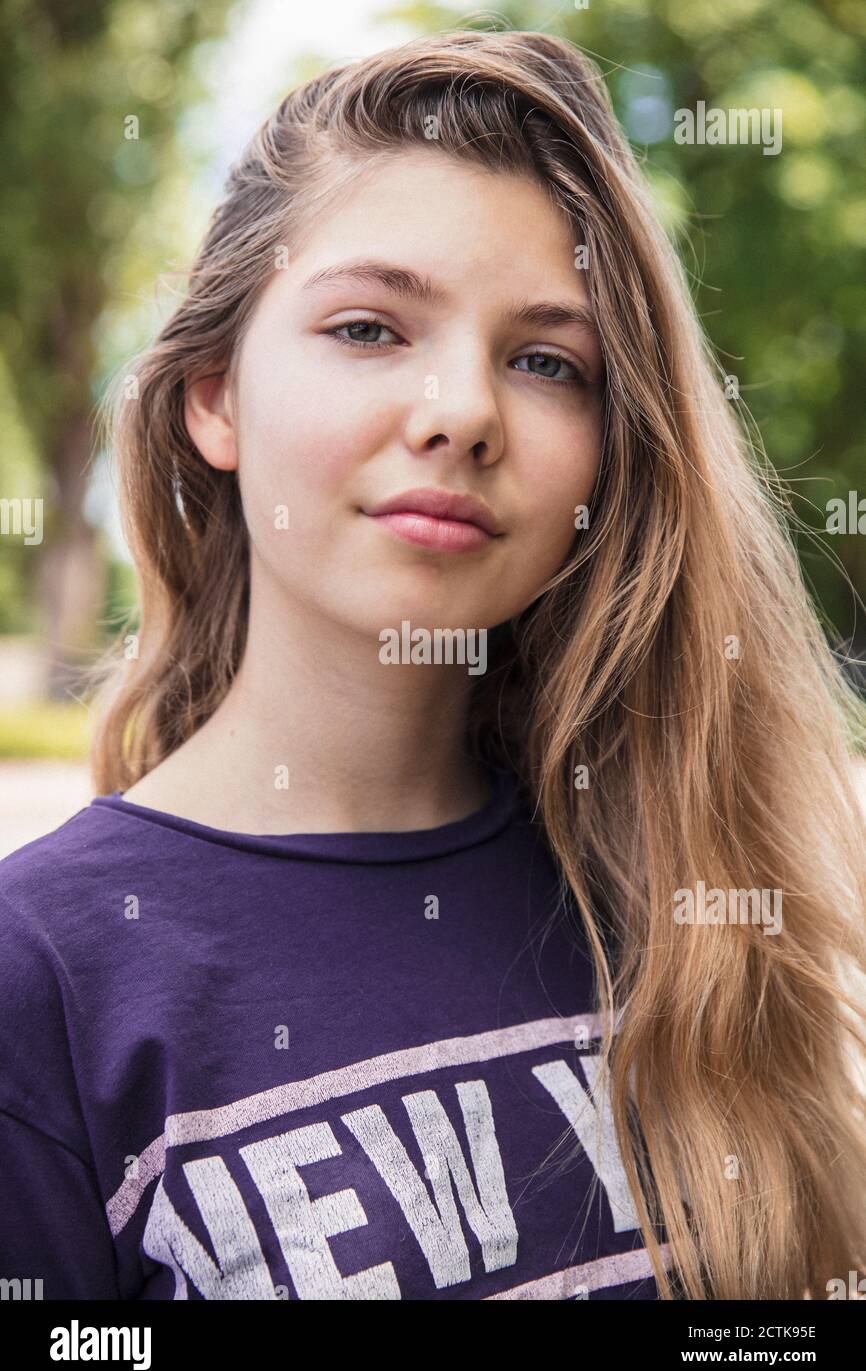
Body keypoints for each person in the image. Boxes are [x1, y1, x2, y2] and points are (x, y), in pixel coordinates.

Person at [1, 28, 865, 1302]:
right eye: (368, 327)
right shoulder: (43, 976)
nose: (462, 408)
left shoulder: (678, 897)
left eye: (543, 361)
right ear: (211, 397)